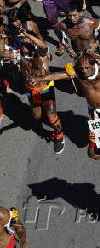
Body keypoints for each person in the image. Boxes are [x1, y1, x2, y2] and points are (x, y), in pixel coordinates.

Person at [8, 20, 66, 154]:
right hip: (31, 91)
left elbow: (43, 45)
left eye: (26, 39)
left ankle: (59, 137)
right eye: (21, 39)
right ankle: (46, 117)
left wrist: (29, 36)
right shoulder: (17, 54)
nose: (24, 42)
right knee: (37, 117)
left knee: (51, 115)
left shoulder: (41, 54)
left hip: (46, 88)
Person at [31, 53, 100, 120]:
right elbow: (56, 76)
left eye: (87, 67)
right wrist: (38, 79)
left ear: (93, 64)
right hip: (93, 109)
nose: (84, 71)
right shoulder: (77, 74)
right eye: (82, 68)